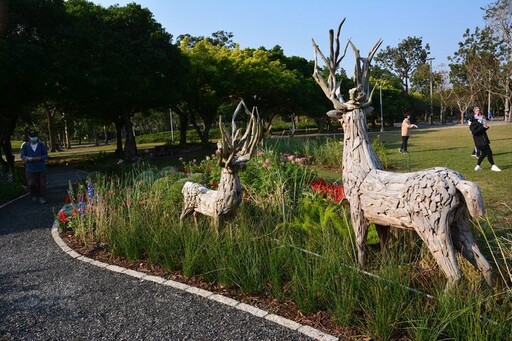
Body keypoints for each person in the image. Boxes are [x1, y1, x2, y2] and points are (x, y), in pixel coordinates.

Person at [20, 130, 49, 203]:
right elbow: (22, 155)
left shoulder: (41, 145)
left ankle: (42, 197)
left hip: (41, 167)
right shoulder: (25, 146)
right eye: (32, 137)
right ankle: (34, 195)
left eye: (35, 137)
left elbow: (45, 155)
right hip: (30, 168)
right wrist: (27, 158)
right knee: (31, 184)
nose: (34, 138)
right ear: (29, 137)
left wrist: (40, 158)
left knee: (42, 184)